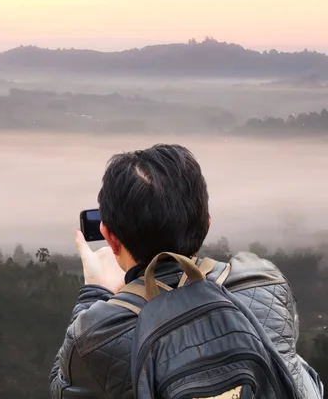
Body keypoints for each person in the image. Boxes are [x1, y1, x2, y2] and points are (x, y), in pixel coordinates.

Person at [49, 144, 321, 398]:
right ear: (207, 223)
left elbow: (62, 389)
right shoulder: (264, 284)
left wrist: (96, 292)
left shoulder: (96, 336)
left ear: (109, 237)